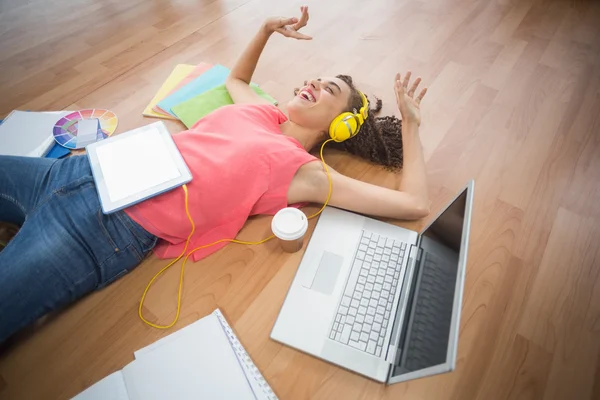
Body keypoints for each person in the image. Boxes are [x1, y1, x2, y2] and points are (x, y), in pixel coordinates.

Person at [0, 6, 429, 343]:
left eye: (328, 90)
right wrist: (264, 30)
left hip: (99, 229)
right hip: (76, 169)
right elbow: (238, 78)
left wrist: (411, 126)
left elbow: (414, 205)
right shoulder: (261, 111)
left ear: (340, 126)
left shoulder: (304, 173)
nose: (313, 82)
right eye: (317, 77)